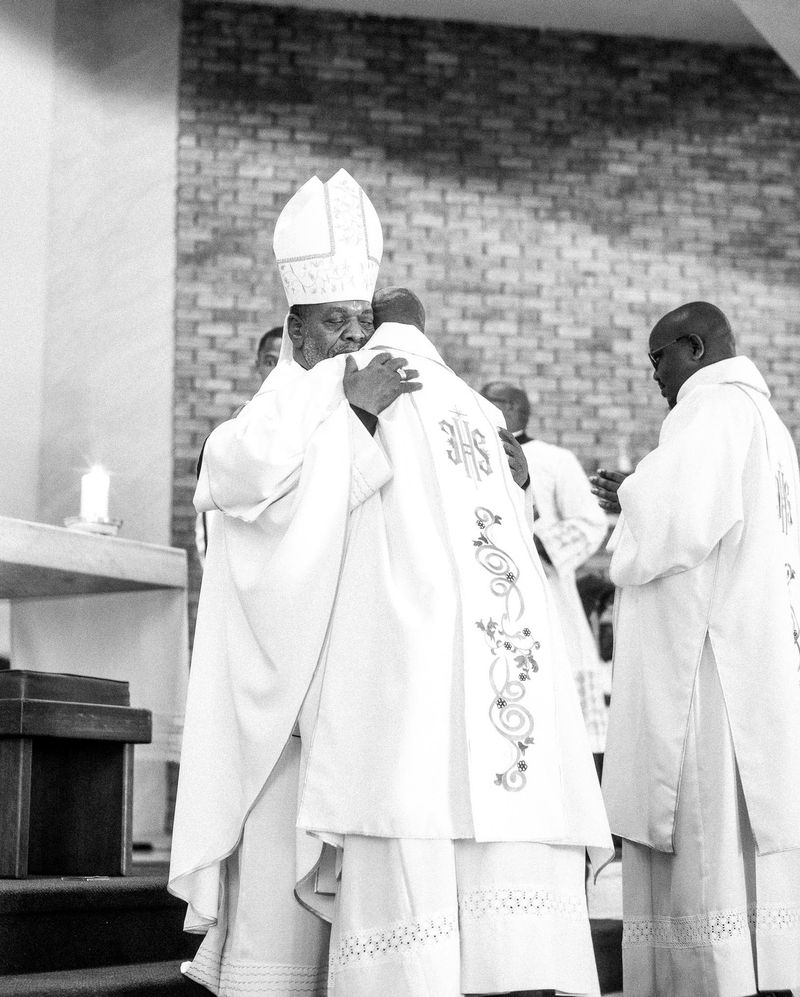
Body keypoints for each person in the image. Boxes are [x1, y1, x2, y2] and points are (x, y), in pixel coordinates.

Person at [170, 169, 612, 997]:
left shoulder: (364, 394)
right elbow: (247, 493)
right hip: (284, 701)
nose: (348, 336)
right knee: (277, 911)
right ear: (294, 327)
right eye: (334, 321)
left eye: (357, 320)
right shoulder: (277, 407)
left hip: (350, 686)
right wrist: (359, 421)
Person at [590, 301, 800, 997]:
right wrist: (644, 494)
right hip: (756, 663)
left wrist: (634, 496)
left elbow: (678, 526)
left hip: (708, 675)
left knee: (706, 845)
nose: (655, 374)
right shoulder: (770, 424)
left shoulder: (709, 410)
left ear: (695, 347)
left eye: (659, 358)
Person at [481, 382, 610, 766]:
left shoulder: (554, 459)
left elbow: (590, 522)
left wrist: (535, 541)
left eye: (495, 402)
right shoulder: (467, 451)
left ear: (518, 409)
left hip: (546, 589)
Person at [194, 325, 286, 568]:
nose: (276, 370)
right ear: (257, 365)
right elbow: (213, 513)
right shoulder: (238, 428)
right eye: (270, 361)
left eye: (284, 361)